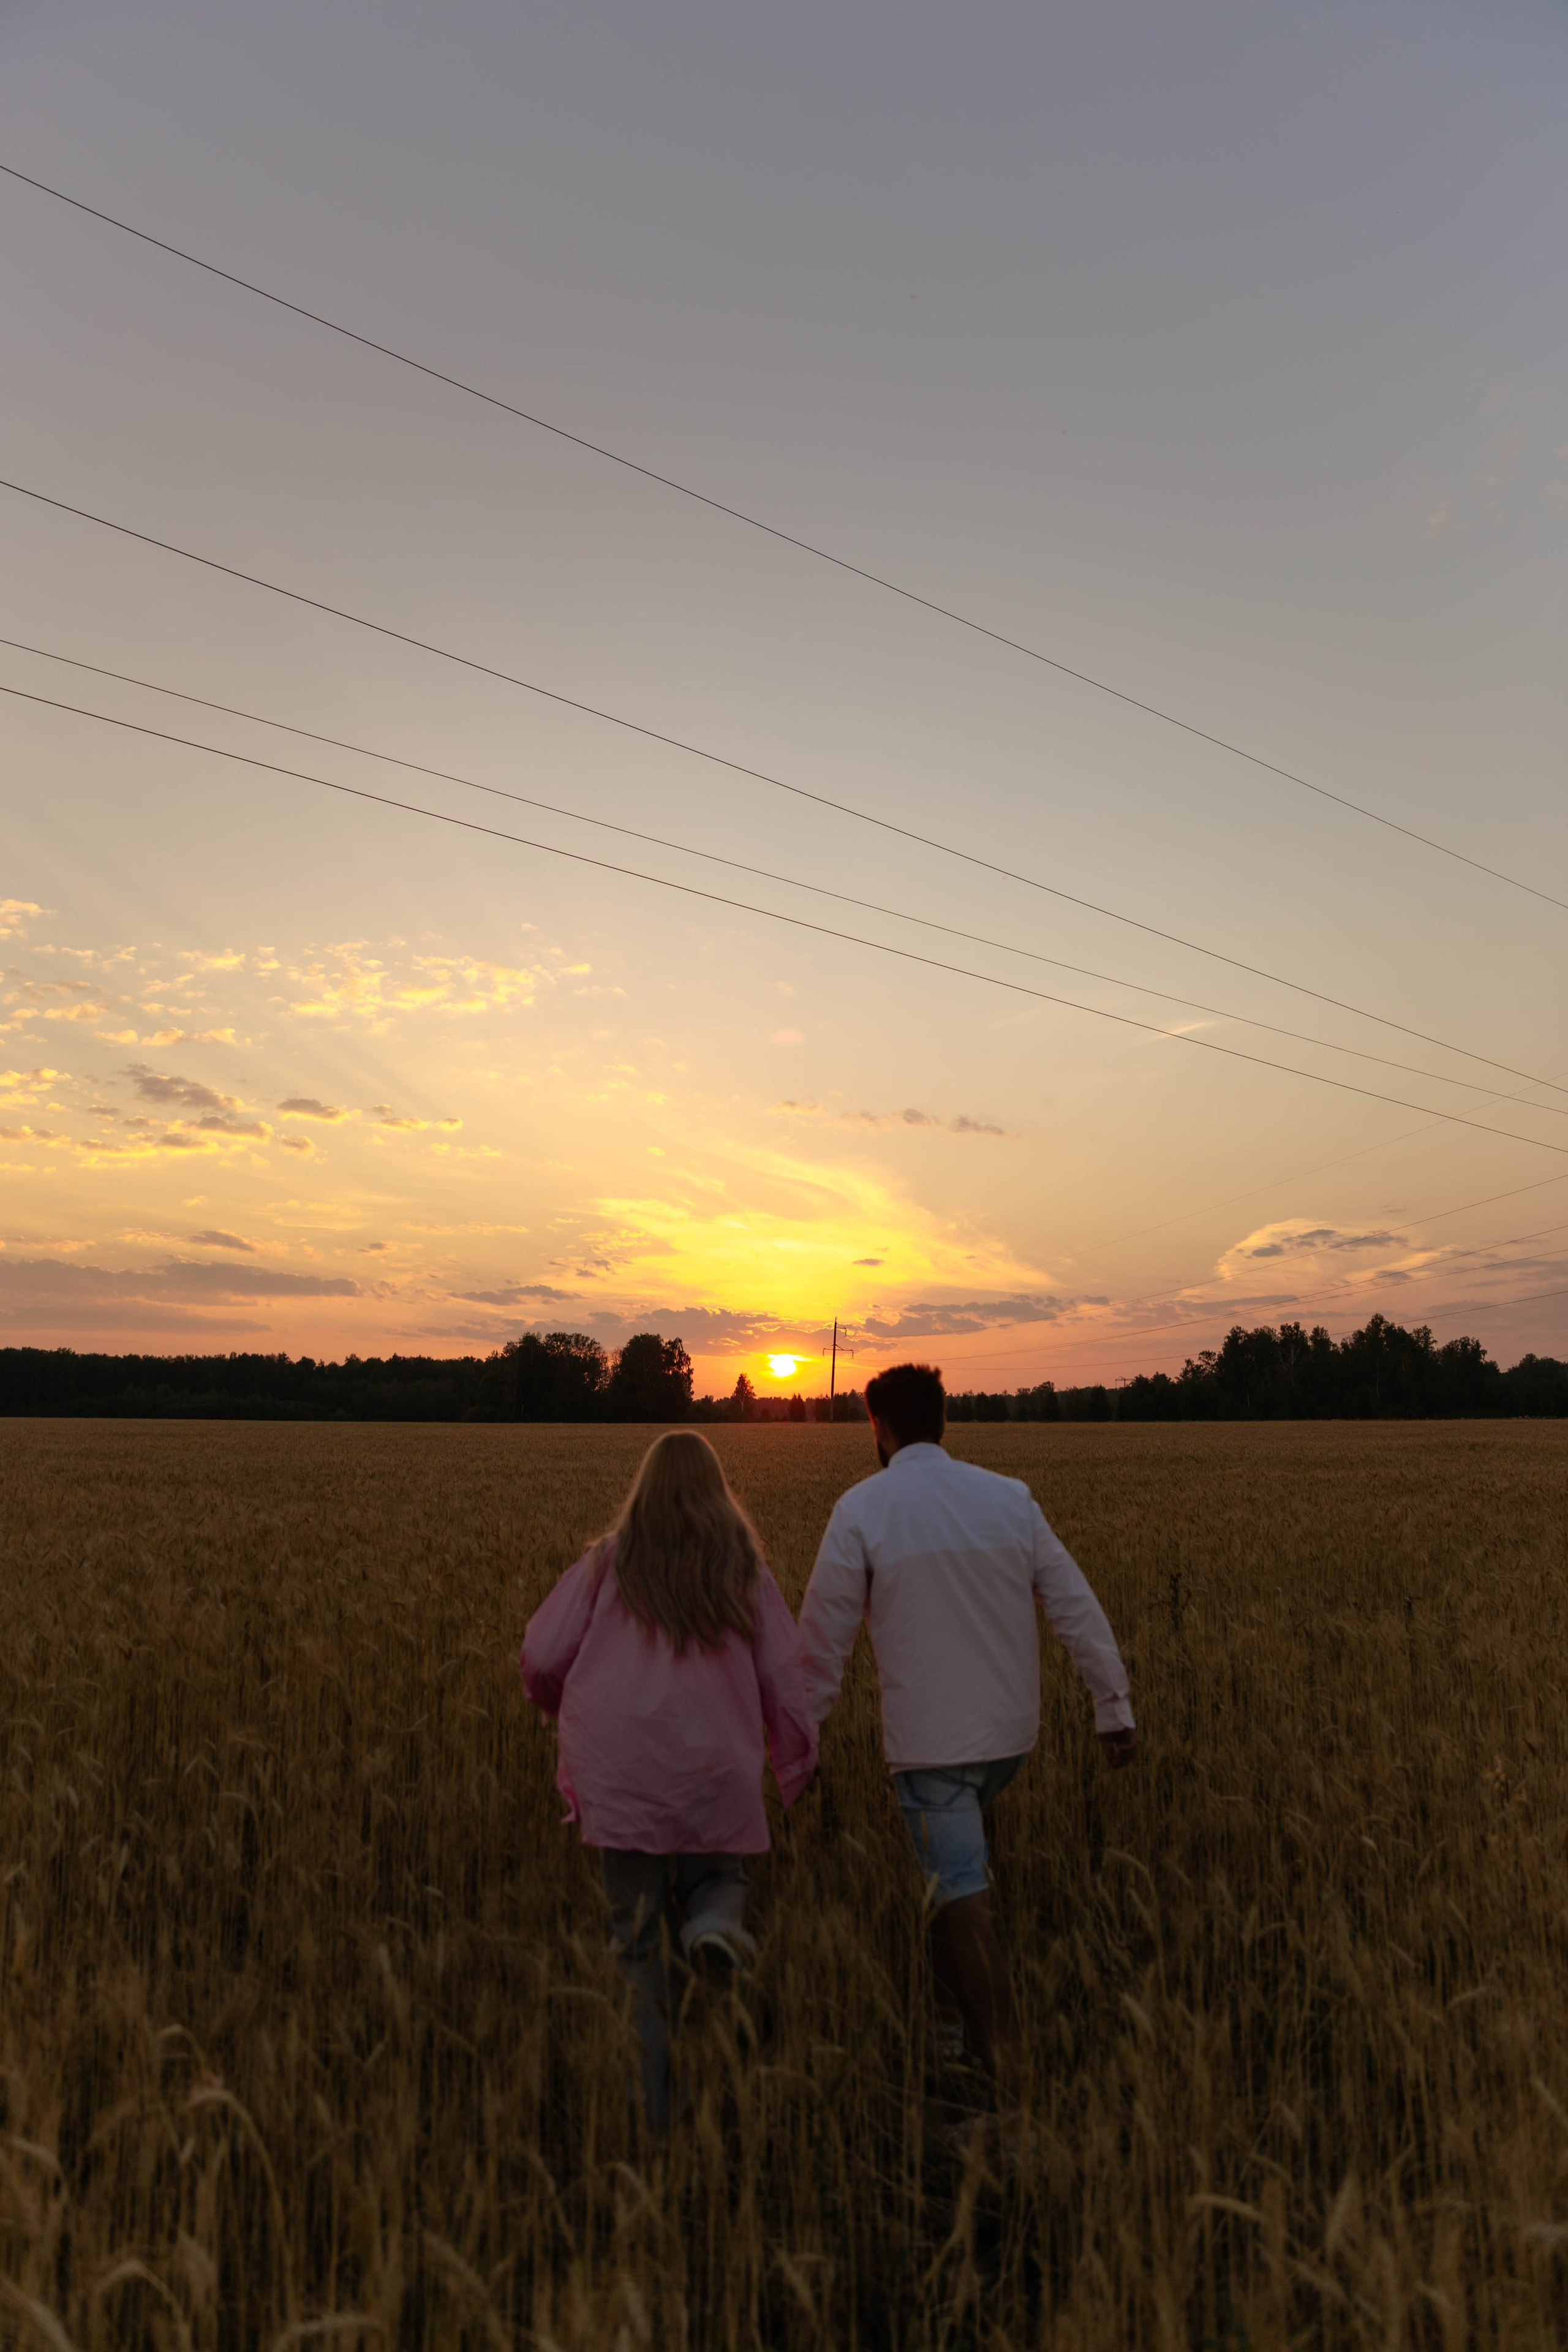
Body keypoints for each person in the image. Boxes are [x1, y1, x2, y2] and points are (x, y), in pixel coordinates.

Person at [797, 1362, 1137, 2103]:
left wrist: (801, 1736)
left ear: (878, 1428)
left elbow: (822, 1643)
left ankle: (1008, 2076)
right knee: (953, 1883)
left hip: (929, 1746)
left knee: (958, 1893)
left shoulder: (862, 1509)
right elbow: (1075, 1606)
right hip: (1010, 1738)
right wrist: (1112, 1707)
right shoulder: (1008, 1499)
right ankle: (951, 2030)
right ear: (943, 1421)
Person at [520, 1430, 818, 2131]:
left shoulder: (606, 1564)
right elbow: (782, 1673)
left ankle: (649, 2110)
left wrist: (553, 1700)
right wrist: (796, 1755)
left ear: (643, 1487)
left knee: (636, 1937)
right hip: (717, 1761)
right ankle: (713, 1926)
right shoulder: (744, 1567)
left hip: (621, 1768)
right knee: (719, 1875)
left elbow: (540, 1652)